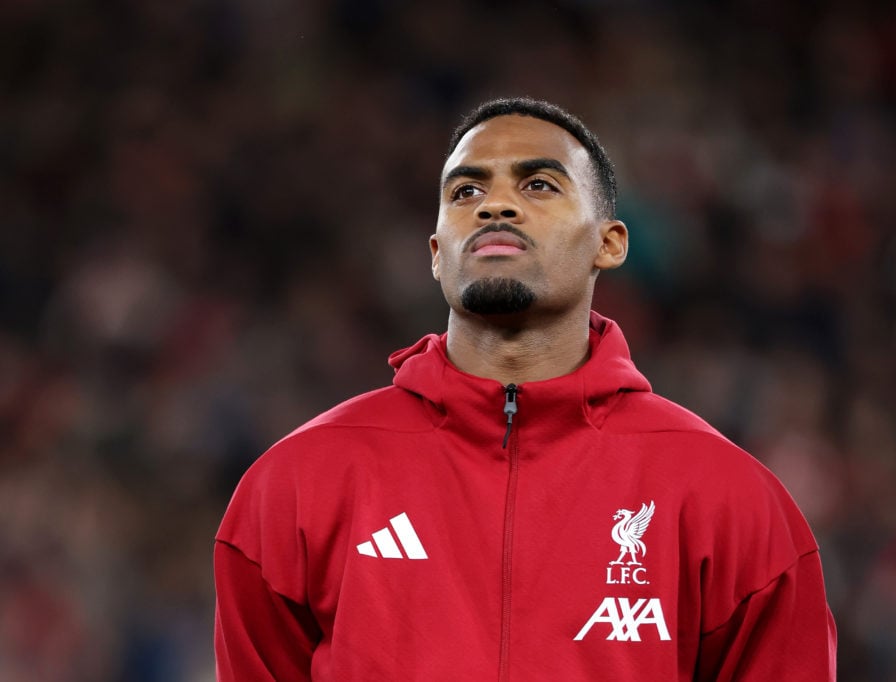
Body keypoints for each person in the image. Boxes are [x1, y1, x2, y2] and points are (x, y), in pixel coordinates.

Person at [213, 97, 838, 680]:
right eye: (466, 191)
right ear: (436, 252)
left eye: (538, 184)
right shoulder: (297, 482)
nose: (495, 206)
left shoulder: (727, 496)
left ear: (609, 243)